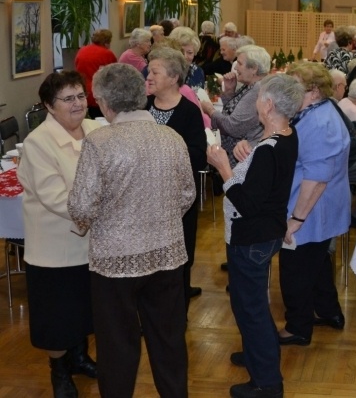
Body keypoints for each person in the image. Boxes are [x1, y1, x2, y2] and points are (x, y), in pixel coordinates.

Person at [67, 63, 195, 397]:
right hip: (167, 254)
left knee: (117, 346)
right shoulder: (171, 138)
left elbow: (82, 207)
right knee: (169, 340)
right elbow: (187, 194)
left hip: (115, 261)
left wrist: (97, 223)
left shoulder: (100, 142)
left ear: (106, 103)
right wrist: (160, 218)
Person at [206, 74, 304, 398]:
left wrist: (224, 167)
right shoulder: (286, 136)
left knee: (251, 309)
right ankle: (255, 353)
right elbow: (266, 181)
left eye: (260, 97)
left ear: (269, 105)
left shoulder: (268, 149)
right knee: (251, 304)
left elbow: (247, 204)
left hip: (251, 238)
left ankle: (266, 382)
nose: (256, 102)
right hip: (267, 233)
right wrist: (247, 159)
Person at [16, 72, 102, 398]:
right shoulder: (38, 143)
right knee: (57, 316)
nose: (78, 103)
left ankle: (79, 358)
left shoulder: (96, 129)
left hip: (92, 244)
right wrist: (103, 210)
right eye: (68, 99)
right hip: (55, 248)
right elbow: (55, 198)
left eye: (80, 95)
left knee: (84, 309)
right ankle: (60, 371)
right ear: (49, 106)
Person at [276, 62, 350, 346]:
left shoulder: (320, 122)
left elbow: (317, 179)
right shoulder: (317, 111)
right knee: (316, 263)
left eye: (295, 88)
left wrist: (296, 219)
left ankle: (298, 327)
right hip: (317, 205)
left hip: (311, 207)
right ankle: (329, 312)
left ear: (315, 92)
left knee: (295, 268)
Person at [145, 47, 207, 312]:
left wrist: (161, 155)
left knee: (179, 257)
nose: (148, 76)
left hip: (177, 200)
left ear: (173, 78)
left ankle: (177, 316)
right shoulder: (143, 107)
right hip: (145, 200)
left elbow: (198, 155)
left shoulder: (189, 112)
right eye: (149, 71)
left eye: (154, 72)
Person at [201, 45, 270, 165]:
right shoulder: (251, 85)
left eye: (240, 63)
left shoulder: (257, 90)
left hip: (242, 159)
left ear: (254, 68)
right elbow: (232, 112)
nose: (236, 68)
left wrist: (210, 110)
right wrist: (229, 91)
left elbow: (232, 127)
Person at [74, 28, 117, 119]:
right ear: (107, 41)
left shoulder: (82, 50)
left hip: (83, 90)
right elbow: (114, 75)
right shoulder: (107, 54)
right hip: (99, 92)